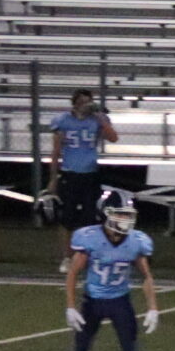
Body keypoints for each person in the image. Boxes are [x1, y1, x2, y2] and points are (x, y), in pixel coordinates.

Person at [53, 190, 160, 351]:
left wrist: (153, 307)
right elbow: (72, 273)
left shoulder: (136, 241)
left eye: (127, 214)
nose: (125, 219)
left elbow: (147, 276)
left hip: (120, 301)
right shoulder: (90, 238)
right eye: (120, 214)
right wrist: (70, 306)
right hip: (92, 302)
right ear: (105, 214)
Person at [46, 88, 117, 270]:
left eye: (88, 101)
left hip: (90, 173)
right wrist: (53, 178)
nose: (86, 105)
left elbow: (113, 138)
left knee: (90, 217)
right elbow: (56, 151)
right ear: (75, 103)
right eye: (82, 102)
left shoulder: (97, 119)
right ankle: (66, 257)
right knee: (66, 218)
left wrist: (101, 118)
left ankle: (88, 255)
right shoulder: (63, 120)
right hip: (69, 173)